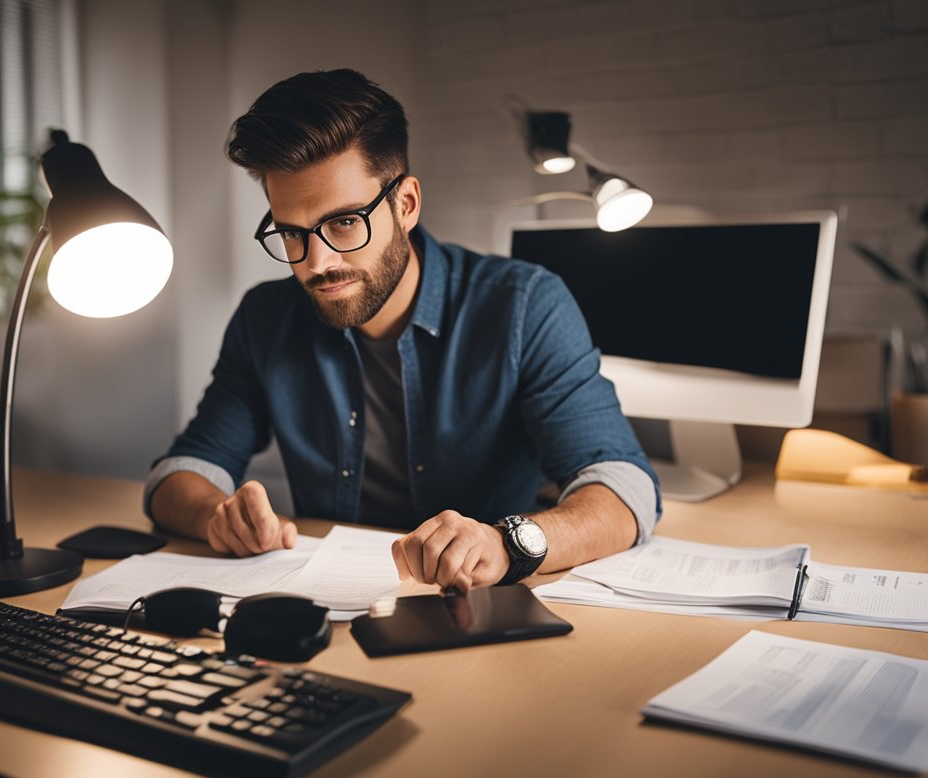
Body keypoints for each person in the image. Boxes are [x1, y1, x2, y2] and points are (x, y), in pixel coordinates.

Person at [147, 68, 659, 592]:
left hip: (486, 610)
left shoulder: (524, 305)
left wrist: (506, 543)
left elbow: (624, 490)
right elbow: (181, 473)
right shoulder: (265, 318)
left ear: (406, 204)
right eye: (291, 233)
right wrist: (217, 516)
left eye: (345, 222)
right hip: (333, 608)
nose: (317, 262)